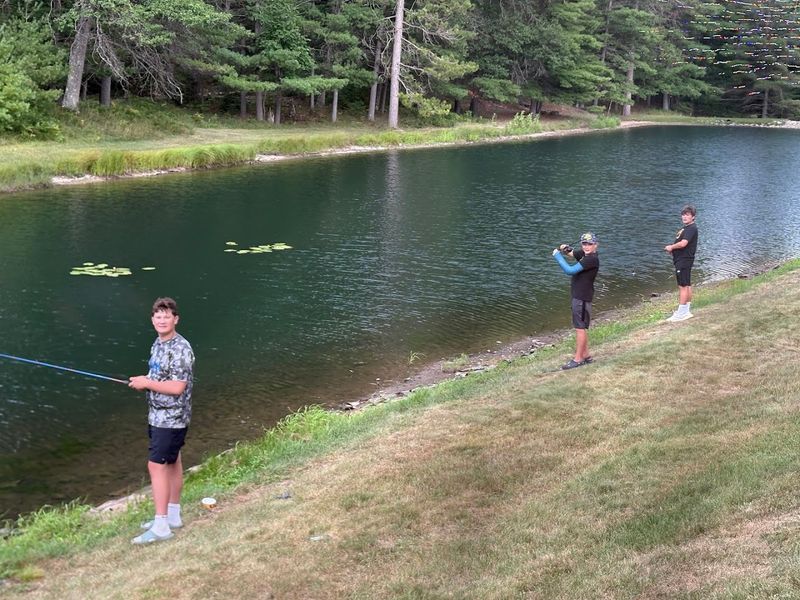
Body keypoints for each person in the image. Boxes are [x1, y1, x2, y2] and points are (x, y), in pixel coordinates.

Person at [129, 297, 195, 545]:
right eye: (158, 316)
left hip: (172, 418)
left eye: (167, 316)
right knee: (173, 461)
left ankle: (161, 526)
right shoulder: (157, 344)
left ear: (175, 319)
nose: (162, 320)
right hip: (157, 415)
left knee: (156, 466)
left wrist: (147, 383)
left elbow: (178, 387)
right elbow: (159, 376)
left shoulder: (181, 349)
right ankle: (173, 516)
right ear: (152, 320)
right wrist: (144, 379)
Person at [552, 232, 600, 370]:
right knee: (581, 327)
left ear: (596, 245)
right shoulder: (586, 255)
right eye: (584, 243)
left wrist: (557, 256)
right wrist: (565, 248)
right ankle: (586, 355)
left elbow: (570, 270)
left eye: (590, 244)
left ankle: (578, 359)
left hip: (582, 298)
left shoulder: (591, 259)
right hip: (580, 296)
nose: (586, 246)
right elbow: (573, 254)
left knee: (580, 328)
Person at [664, 204, 698, 322]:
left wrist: (671, 247)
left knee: (682, 286)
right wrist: (673, 250)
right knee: (687, 284)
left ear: (693, 217)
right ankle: (686, 311)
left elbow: (683, 243)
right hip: (683, 259)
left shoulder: (691, 228)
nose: (684, 217)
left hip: (684, 261)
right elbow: (682, 244)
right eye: (683, 214)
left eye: (687, 215)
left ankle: (680, 313)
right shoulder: (686, 228)